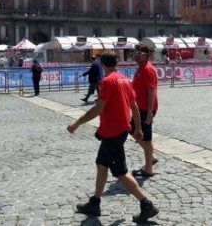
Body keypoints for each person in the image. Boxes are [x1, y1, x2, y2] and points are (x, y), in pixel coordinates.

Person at [67, 50, 159, 223]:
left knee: (121, 173)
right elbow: (135, 106)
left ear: (102, 64)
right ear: (116, 63)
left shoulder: (108, 82)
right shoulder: (124, 79)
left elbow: (97, 108)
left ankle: (147, 205)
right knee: (101, 164)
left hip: (113, 132)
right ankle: (95, 202)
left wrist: (77, 123)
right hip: (115, 131)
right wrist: (137, 127)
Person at [131, 44, 159, 177]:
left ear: (146, 55)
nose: (136, 55)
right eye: (135, 53)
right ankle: (151, 157)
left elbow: (151, 92)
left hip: (146, 109)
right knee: (132, 129)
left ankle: (148, 169)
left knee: (146, 138)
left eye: (140, 53)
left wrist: (149, 113)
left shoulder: (148, 69)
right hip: (139, 108)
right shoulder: (140, 68)